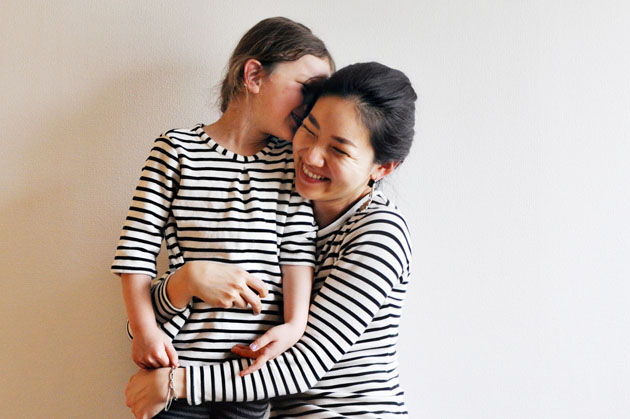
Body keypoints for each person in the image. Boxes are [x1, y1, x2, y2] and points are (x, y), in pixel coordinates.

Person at [125, 61, 417, 418]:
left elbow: (302, 365)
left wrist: (176, 384)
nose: (311, 156)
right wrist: (184, 283)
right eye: (308, 130)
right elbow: (147, 322)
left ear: (383, 168)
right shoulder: (280, 212)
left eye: (339, 150)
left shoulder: (380, 234)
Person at [111, 17, 333, 418]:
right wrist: (144, 331)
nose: (311, 107)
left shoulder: (290, 165)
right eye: (306, 89)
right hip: (177, 368)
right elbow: (135, 251)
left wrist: (296, 325)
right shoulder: (176, 150)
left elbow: (298, 253)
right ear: (253, 76)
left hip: (249, 375)